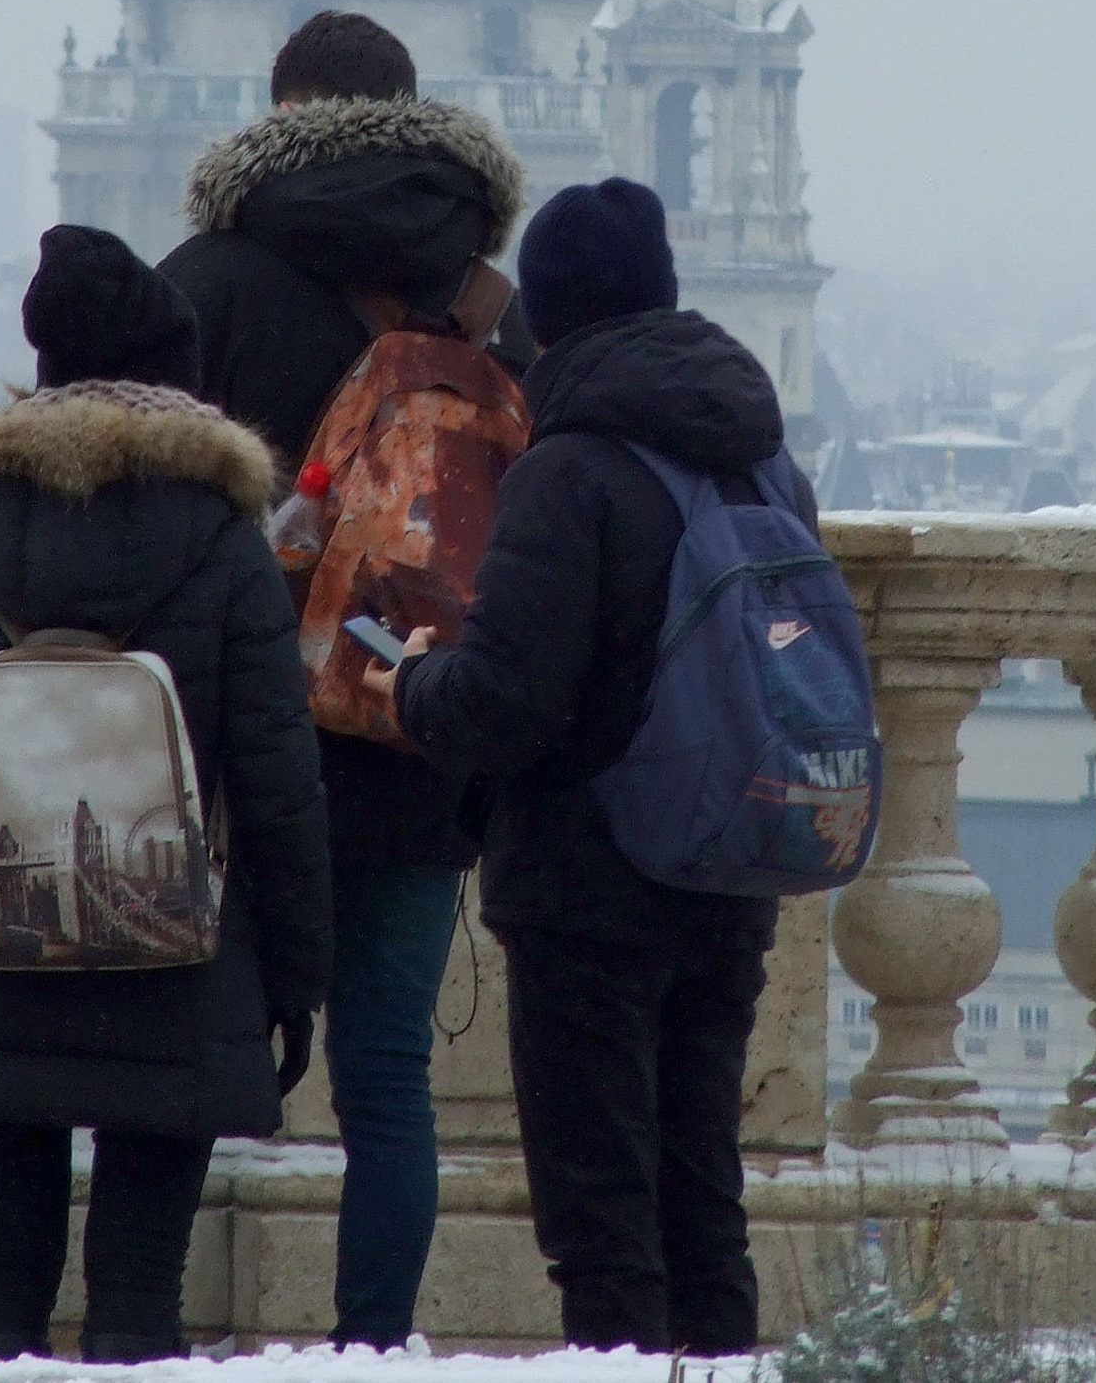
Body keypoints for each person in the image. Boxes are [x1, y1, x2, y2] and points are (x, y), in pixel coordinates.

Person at [0, 226, 333, 1363]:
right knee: (139, 1285)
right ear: (181, 380)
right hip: (179, 958)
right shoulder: (223, 545)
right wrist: (295, 983)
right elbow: (279, 786)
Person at [370, 179, 801, 1357]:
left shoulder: (569, 472)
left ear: (548, 320)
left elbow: (507, 702)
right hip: (727, 867)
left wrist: (410, 679)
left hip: (590, 888)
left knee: (604, 1218)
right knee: (703, 1198)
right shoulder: (761, 458)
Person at [157, 9, 528, 1348]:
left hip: (236, 740)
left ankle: (148, 1344)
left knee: (198, 1055)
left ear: (275, 112)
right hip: (411, 730)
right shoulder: (485, 303)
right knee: (386, 1080)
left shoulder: (204, 280)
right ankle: (373, 1350)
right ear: (413, 114)